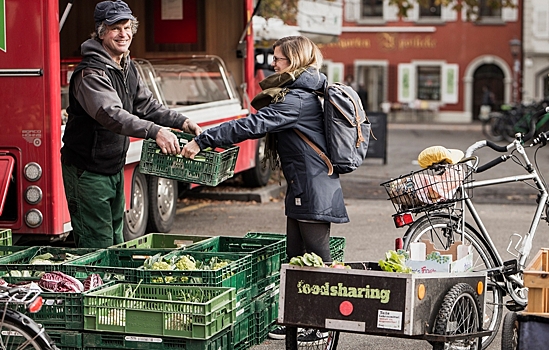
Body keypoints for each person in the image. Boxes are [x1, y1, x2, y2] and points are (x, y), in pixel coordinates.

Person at [181, 35, 349, 343]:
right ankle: (298, 320)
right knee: (296, 258)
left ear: (295, 61)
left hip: (314, 188)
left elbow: (251, 125)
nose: (272, 63)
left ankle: (322, 322)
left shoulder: (296, 99)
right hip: (303, 185)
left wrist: (203, 139)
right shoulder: (299, 92)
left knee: (317, 259)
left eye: (279, 59)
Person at [60, 0, 201, 248]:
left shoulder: (127, 65)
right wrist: (154, 131)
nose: (123, 34)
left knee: (116, 240)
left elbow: (145, 105)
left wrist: (182, 121)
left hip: (113, 167)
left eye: (127, 27)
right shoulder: (91, 73)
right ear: (102, 32)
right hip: (87, 171)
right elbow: (111, 114)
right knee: (97, 244)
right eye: (116, 28)